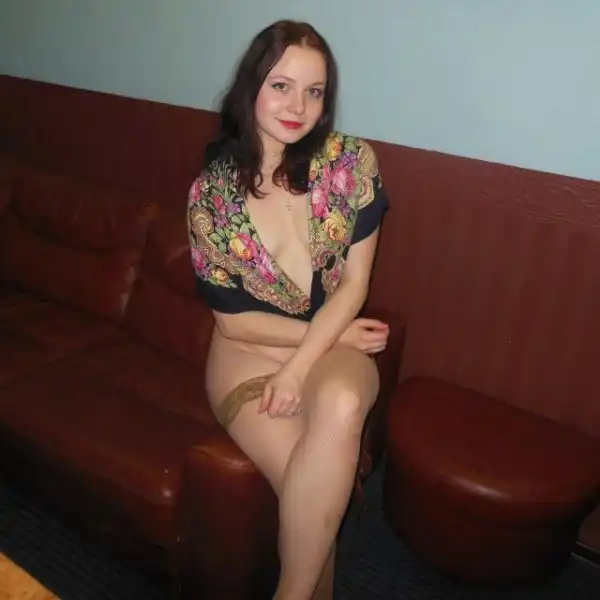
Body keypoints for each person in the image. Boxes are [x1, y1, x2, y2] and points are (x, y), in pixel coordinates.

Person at [187, 19, 390, 600]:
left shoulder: (351, 164)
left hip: (327, 348)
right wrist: (338, 337)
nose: (298, 106)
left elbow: (353, 285)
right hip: (246, 355)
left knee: (343, 402)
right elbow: (233, 322)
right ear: (251, 87)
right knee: (312, 499)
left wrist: (300, 367)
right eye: (281, 85)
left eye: (314, 91)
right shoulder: (211, 195)